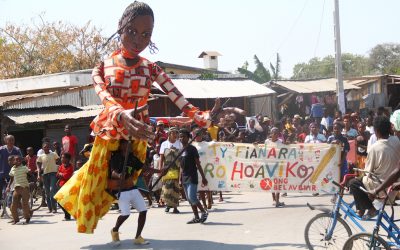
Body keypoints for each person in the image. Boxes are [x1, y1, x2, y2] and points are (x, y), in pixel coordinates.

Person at [55, 1, 214, 235]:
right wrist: (120, 113)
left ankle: (123, 218)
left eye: (146, 34)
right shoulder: (102, 67)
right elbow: (104, 94)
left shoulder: (151, 69)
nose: (138, 39)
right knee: (95, 179)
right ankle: (75, 203)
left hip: (138, 134)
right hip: (111, 128)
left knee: (125, 179)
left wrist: (200, 116)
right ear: (120, 26)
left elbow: (176, 96)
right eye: (132, 31)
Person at [348, 116, 400, 220]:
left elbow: (368, 171)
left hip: (382, 186)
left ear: (376, 131)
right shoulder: (396, 140)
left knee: (353, 183)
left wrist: (374, 190)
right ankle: (362, 209)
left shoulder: (374, 148)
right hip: (393, 188)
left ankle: (368, 209)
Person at [109, 140, 149, 246]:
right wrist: (119, 176)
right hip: (120, 190)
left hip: (133, 188)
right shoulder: (115, 157)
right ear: (121, 146)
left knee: (143, 211)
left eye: (129, 144)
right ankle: (115, 230)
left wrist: (161, 171)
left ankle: (138, 237)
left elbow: (144, 168)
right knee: (126, 214)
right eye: (126, 144)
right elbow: (112, 172)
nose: (129, 146)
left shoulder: (132, 157)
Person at [179, 129, 209, 223]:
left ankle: (203, 212)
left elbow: (198, 164)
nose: (181, 138)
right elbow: (181, 167)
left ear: (188, 138)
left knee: (192, 197)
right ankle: (196, 216)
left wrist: (203, 177)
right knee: (189, 199)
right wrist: (180, 179)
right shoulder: (181, 150)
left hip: (192, 176)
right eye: (180, 136)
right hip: (184, 177)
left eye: (183, 136)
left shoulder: (192, 149)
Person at [160, 127, 182, 213]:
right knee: (166, 188)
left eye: (176, 133)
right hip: (166, 169)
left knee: (175, 188)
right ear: (169, 134)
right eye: (173, 133)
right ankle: (168, 205)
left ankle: (175, 207)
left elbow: (181, 158)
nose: (175, 135)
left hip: (176, 168)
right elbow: (162, 158)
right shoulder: (164, 144)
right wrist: (160, 169)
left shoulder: (179, 144)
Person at [7, 155, 31, 224]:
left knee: (24, 204)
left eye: (19, 160)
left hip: (24, 188)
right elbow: (11, 179)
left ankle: (27, 218)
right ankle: (16, 219)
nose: (18, 161)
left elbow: (30, 174)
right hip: (16, 189)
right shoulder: (12, 169)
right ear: (14, 161)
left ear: (21, 161)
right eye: (16, 160)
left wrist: (33, 182)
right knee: (13, 205)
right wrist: (8, 187)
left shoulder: (24, 168)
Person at [37, 142, 59, 213]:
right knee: (47, 192)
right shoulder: (41, 156)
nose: (46, 148)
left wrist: (58, 170)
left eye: (47, 147)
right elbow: (38, 165)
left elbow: (58, 161)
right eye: (44, 147)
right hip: (45, 174)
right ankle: (50, 208)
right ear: (43, 148)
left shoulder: (53, 154)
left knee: (52, 189)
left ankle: (54, 207)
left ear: (49, 147)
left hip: (53, 173)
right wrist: (38, 174)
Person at [265, 127, 285, 207]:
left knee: (279, 182)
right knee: (272, 182)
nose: (276, 135)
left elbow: (284, 150)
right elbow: (263, 150)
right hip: (270, 165)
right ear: (271, 133)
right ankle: (274, 200)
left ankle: (277, 200)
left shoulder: (280, 142)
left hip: (278, 164)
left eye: (277, 133)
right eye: (274, 133)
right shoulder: (267, 141)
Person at [0, 135, 23, 199]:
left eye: (12, 140)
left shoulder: (17, 150)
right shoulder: (1, 149)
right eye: (9, 140)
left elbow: (20, 160)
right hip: (2, 172)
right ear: (6, 141)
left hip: (13, 173)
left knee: (12, 189)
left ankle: (13, 202)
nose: (11, 141)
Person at [56, 153, 74, 221]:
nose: (62, 159)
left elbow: (66, 176)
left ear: (68, 159)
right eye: (61, 158)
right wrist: (61, 174)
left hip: (67, 186)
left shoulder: (70, 166)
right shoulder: (61, 166)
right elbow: (57, 174)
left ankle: (67, 215)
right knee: (59, 201)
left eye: (63, 158)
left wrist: (61, 174)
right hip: (61, 185)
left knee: (64, 201)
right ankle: (67, 214)